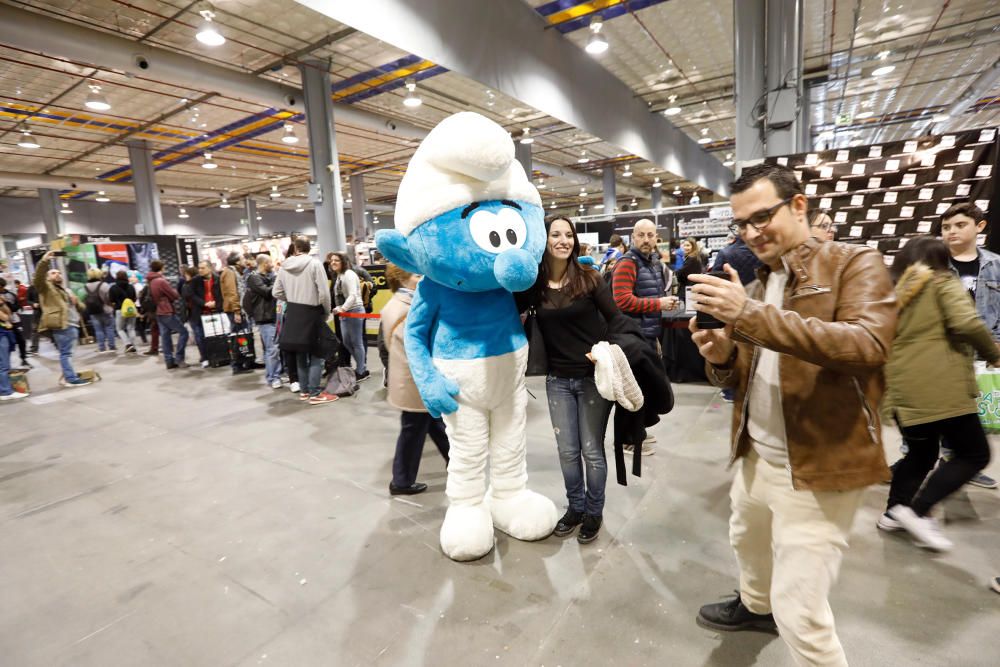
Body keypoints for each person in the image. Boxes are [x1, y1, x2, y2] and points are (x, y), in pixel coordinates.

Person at [688, 163, 896, 666]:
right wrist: (720, 357)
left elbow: (867, 344)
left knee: (800, 611)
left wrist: (749, 315)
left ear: (799, 205)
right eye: (741, 223)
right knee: (747, 541)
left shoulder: (855, 263)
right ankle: (754, 607)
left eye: (762, 217)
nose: (751, 232)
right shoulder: (761, 284)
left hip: (821, 465)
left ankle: (774, 612)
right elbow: (746, 373)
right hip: (758, 452)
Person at [879, 236, 998, 551]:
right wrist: (993, 352)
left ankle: (893, 512)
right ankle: (916, 512)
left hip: (902, 388)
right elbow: (968, 323)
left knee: (920, 453)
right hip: (941, 387)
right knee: (975, 454)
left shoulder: (890, 294)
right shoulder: (942, 282)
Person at [517, 217, 618, 543]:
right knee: (567, 451)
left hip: (592, 379)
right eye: (555, 234)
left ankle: (594, 511)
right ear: (543, 241)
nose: (563, 240)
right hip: (557, 380)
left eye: (568, 234)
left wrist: (603, 350)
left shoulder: (590, 278)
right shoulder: (534, 285)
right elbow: (508, 312)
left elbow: (617, 320)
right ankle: (575, 507)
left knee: (591, 450)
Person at [940, 201, 1000, 489]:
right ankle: (919, 460)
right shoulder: (934, 264)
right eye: (946, 227)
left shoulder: (995, 265)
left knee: (972, 411)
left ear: (980, 227)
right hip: (941, 350)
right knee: (937, 408)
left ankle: (961, 462)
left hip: (981, 350)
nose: (951, 231)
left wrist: (996, 347)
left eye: (959, 225)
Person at [382, 263, 450, 495]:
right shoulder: (406, 308)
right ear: (402, 279)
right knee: (414, 430)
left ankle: (458, 465)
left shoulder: (403, 304)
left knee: (436, 425)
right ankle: (401, 481)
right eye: (416, 274)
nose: (422, 278)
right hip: (414, 382)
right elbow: (414, 350)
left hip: (413, 381)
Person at [611, 218, 675, 455]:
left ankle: (638, 432)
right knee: (632, 391)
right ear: (633, 238)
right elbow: (621, 300)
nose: (647, 240)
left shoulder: (653, 263)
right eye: (641, 235)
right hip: (631, 338)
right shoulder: (627, 263)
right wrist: (658, 303)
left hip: (647, 335)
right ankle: (628, 440)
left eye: (651, 235)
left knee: (644, 388)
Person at [273, 237, 334, 403]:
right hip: (312, 312)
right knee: (318, 354)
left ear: (295, 248)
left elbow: (276, 292)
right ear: (309, 248)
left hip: (293, 312)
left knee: (300, 353)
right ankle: (315, 393)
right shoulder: (314, 264)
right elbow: (324, 293)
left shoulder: (284, 267)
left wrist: (291, 300)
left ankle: (305, 390)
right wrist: (326, 312)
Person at [33, 252, 90, 387]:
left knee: (68, 353)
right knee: (66, 353)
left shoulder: (67, 290)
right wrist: (44, 261)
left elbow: (81, 307)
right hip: (62, 325)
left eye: (58, 272)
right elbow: (38, 278)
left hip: (73, 324)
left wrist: (76, 302)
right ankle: (71, 378)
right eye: (53, 273)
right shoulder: (46, 288)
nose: (57, 274)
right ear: (47, 277)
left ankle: (67, 376)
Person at [331, 251, 369, 382]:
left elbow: (353, 295)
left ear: (343, 261)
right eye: (332, 260)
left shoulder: (349, 274)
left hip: (355, 311)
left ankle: (361, 370)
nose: (333, 262)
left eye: (336, 260)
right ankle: (361, 365)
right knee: (347, 342)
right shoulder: (340, 275)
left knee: (357, 342)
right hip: (345, 313)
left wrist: (342, 308)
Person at [146, 260, 189, 370]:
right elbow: (174, 295)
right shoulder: (161, 281)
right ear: (162, 267)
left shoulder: (150, 280)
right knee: (184, 332)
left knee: (165, 337)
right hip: (167, 311)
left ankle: (169, 361)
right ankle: (179, 358)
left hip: (158, 311)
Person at [246, 254, 281, 389]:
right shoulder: (253, 278)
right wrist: (276, 280)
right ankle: (273, 378)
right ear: (264, 263)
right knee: (272, 349)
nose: (272, 264)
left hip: (273, 316)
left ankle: (273, 375)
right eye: (270, 262)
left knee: (272, 349)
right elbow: (267, 292)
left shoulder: (267, 276)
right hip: (265, 318)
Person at [186, 260, 223, 368]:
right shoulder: (195, 280)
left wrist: (216, 303)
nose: (200, 270)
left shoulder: (218, 278)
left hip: (216, 312)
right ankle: (205, 357)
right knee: (200, 337)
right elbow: (191, 295)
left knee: (217, 335)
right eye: (199, 268)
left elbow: (222, 293)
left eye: (203, 268)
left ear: (210, 268)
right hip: (199, 313)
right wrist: (205, 303)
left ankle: (219, 356)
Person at [221, 252, 253, 375]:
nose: (245, 261)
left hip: (239, 309)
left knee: (244, 336)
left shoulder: (236, 271)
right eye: (242, 259)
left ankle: (247, 360)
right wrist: (237, 311)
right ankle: (237, 364)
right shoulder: (229, 272)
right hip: (235, 310)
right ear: (237, 262)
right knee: (237, 337)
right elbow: (232, 292)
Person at [0, 300, 29, 400]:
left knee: (3, 364)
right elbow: (5, 317)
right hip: (1, 334)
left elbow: (9, 313)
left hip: (4, 333)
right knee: (3, 365)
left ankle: (4, 389)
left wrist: (3, 304)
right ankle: (5, 391)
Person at [83, 268, 116, 354]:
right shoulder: (104, 285)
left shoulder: (85, 286)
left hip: (93, 311)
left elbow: (84, 299)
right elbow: (109, 297)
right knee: (109, 328)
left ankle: (101, 348)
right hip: (106, 310)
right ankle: (112, 346)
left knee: (98, 330)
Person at [0, 278, 29, 368]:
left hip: (14, 321)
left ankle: (23, 359)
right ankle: (5, 365)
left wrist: (6, 303)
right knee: (5, 345)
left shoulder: (10, 294)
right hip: (2, 325)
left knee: (21, 340)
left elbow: (17, 307)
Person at [108, 270, 138, 354]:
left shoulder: (113, 288)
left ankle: (128, 345)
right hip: (131, 310)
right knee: (131, 328)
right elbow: (135, 298)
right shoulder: (131, 287)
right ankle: (133, 346)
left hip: (120, 310)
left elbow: (111, 300)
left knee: (120, 329)